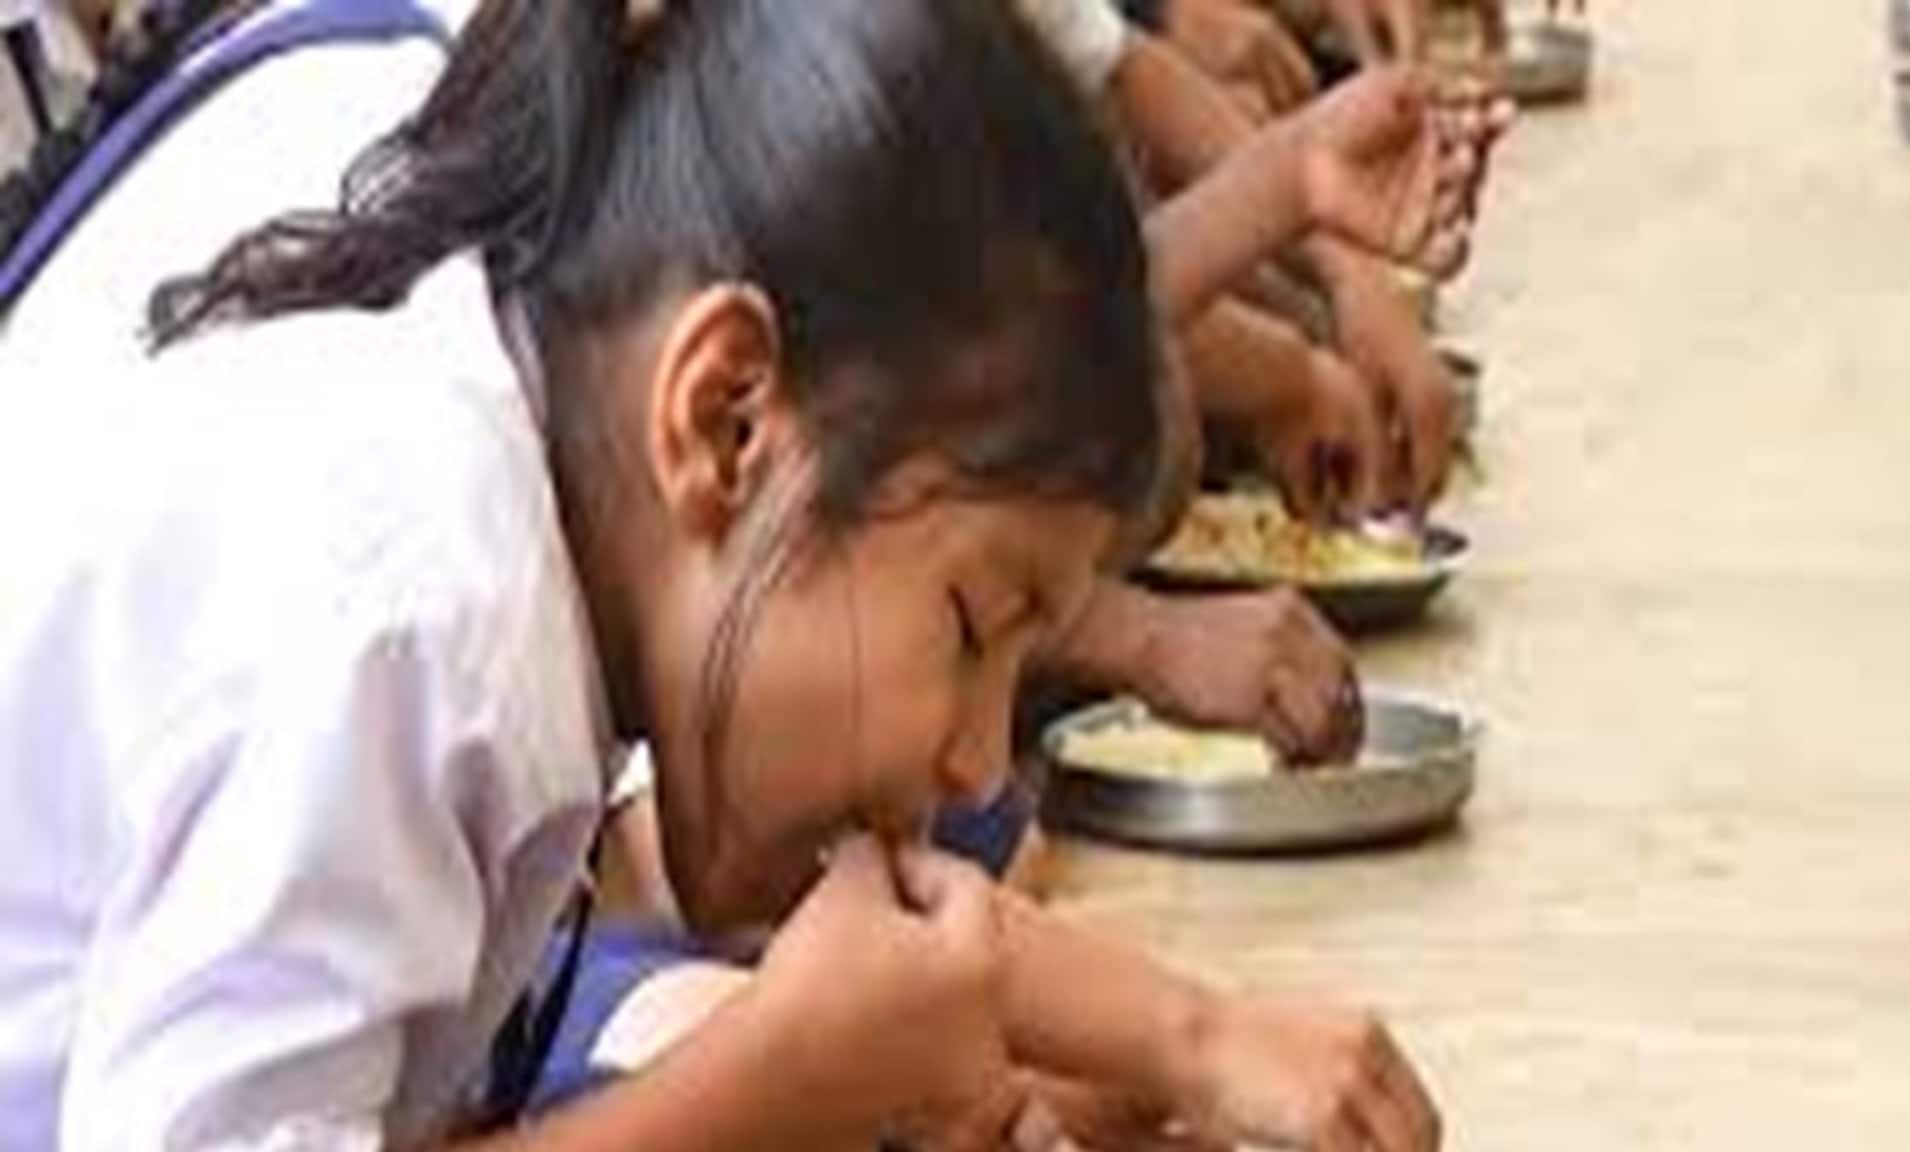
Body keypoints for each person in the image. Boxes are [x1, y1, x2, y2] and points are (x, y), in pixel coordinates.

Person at [0, 1, 1444, 1149]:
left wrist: (1144, 1038)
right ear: (726, 414)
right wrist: (769, 1085)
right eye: (971, 622)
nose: (973, 753)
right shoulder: (412, 597)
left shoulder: (548, 366)